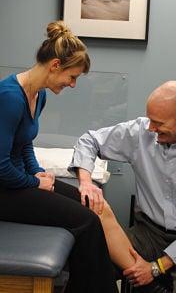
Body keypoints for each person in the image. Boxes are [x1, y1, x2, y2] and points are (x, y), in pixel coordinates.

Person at [69, 80, 176, 292]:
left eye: (158, 122)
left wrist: (155, 267)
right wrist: (86, 182)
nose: (151, 128)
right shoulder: (141, 132)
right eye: (150, 120)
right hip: (148, 232)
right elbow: (90, 141)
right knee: (90, 263)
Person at [0, 20, 117, 293]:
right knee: (86, 221)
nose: (73, 85)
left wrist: (37, 171)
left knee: (88, 204)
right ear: (55, 65)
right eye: (72, 77)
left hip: (17, 183)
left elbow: (25, 143)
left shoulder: (37, 95)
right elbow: (1, 165)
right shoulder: (9, 98)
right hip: (4, 189)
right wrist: (33, 183)